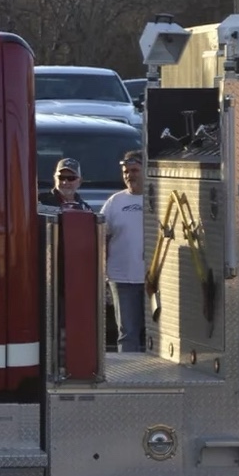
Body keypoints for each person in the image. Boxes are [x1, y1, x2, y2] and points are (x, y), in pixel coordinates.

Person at [100, 150, 145, 352]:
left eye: (134, 170)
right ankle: (131, 376)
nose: (129, 175)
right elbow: (102, 238)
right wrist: (102, 273)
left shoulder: (159, 199)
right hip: (122, 278)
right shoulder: (115, 202)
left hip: (157, 279)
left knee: (160, 333)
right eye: (126, 172)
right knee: (127, 332)